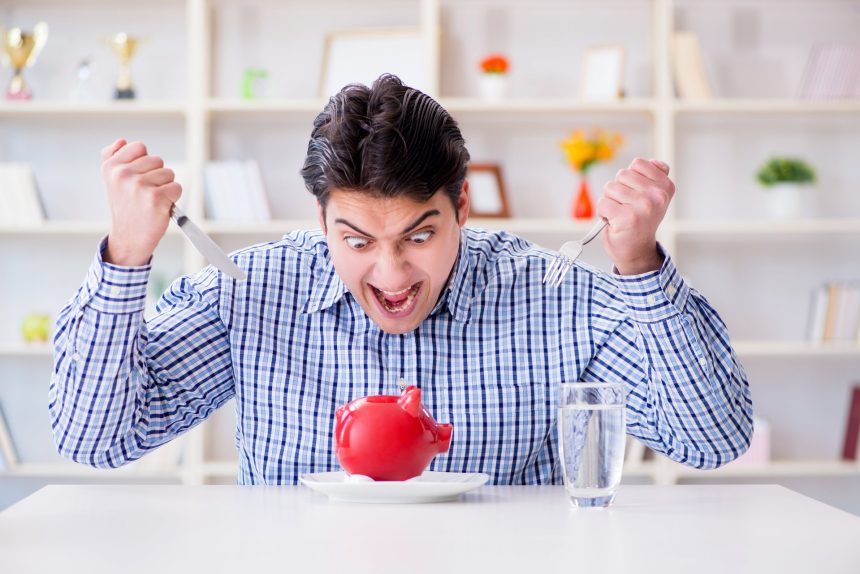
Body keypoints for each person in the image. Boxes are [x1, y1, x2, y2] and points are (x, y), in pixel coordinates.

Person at [50, 74, 752, 484]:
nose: (390, 274)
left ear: (462, 207)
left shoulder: (551, 293)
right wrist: (127, 255)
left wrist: (638, 265)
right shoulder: (250, 291)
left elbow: (711, 440)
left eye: (419, 236)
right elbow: (95, 440)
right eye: (356, 241)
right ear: (321, 220)